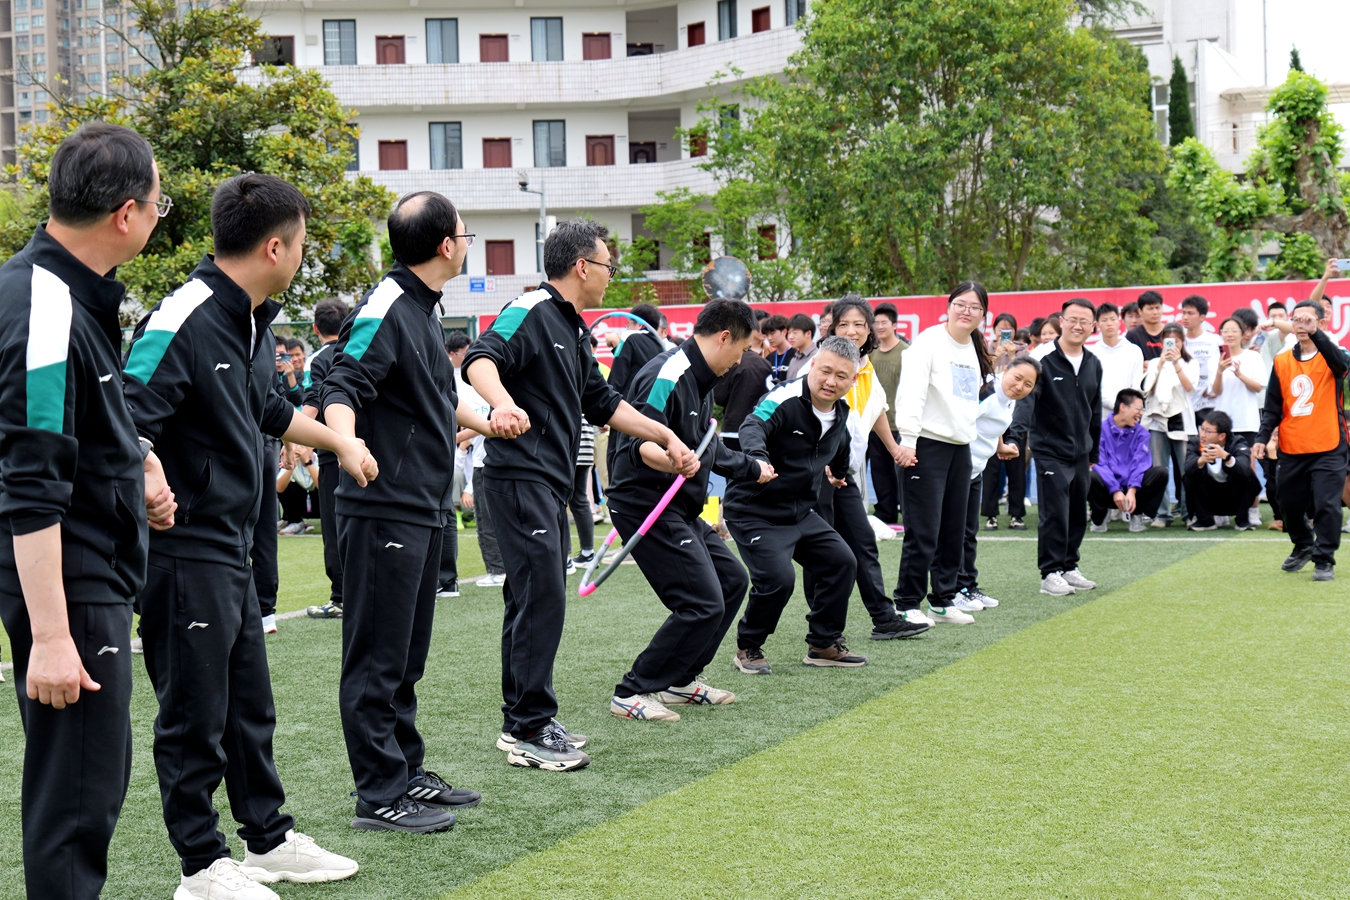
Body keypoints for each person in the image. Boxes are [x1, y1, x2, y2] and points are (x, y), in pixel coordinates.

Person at [126, 174, 371, 897]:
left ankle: (265, 840)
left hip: (234, 545)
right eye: (301, 245)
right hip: (182, 548)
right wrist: (145, 471)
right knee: (194, 715)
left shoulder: (253, 319)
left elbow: (268, 408)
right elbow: (124, 416)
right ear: (275, 246)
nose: (302, 257)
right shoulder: (183, 316)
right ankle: (200, 865)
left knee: (247, 706)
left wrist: (339, 444)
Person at [0, 122, 174, 900]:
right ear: (127, 214)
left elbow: (76, 420)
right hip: (68, 582)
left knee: (84, 794)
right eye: (161, 206)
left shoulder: (69, 293)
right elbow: (30, 475)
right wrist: (50, 637)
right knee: (76, 804)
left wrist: (137, 459)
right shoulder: (43, 301)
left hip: (87, 571)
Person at [463, 219, 696, 772]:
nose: (612, 276)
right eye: (609, 265)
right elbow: (479, 359)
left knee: (536, 598)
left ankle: (528, 718)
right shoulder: (530, 309)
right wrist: (500, 404)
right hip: (518, 476)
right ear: (582, 266)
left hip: (546, 481)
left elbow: (602, 400)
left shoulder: (574, 328)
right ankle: (526, 727)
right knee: (541, 597)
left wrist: (663, 433)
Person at [322, 191, 493, 831]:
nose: (467, 242)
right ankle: (378, 794)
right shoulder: (387, 304)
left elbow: (434, 402)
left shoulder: (423, 310)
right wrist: (347, 441)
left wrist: (488, 421)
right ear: (448, 245)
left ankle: (404, 771)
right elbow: (342, 383)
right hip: (382, 508)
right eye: (467, 233)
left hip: (422, 506)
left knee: (405, 655)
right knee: (376, 656)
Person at [606, 299, 777, 721]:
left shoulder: (700, 378)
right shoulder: (666, 374)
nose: (740, 362)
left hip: (680, 507)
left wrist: (752, 469)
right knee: (701, 601)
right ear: (724, 338)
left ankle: (681, 681)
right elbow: (639, 443)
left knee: (733, 581)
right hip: (646, 506)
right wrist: (673, 459)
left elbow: (706, 447)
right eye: (741, 352)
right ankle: (633, 691)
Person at [725, 336, 866, 672]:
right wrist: (758, 459)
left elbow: (840, 442)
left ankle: (822, 644)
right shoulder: (784, 397)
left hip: (801, 512)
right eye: (826, 371)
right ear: (812, 365)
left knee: (842, 562)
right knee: (778, 578)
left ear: (853, 379)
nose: (831, 381)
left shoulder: (842, 412)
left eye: (842, 376)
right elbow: (753, 425)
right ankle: (749, 646)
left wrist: (839, 472)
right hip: (754, 511)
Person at [808, 297, 929, 639]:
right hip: (818, 474)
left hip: (845, 473)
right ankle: (823, 627)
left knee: (863, 543)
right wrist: (825, 463)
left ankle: (883, 617)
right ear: (831, 328)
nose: (852, 330)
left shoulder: (864, 366)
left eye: (860, 324)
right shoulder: (821, 365)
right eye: (844, 324)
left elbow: (876, 411)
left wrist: (893, 449)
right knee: (823, 550)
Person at [892, 282, 993, 625]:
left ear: (983, 315)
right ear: (949, 306)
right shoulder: (929, 343)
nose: (967, 312)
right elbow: (911, 392)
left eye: (975, 307)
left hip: (959, 448)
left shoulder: (973, 348)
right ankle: (906, 602)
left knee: (954, 528)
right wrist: (907, 439)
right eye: (960, 304)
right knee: (924, 530)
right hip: (926, 445)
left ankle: (943, 598)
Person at [1012, 298, 1103, 596]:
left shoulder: (1093, 362)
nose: (1078, 326)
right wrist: (1016, 439)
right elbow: (1025, 403)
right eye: (1072, 319)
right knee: (1055, 513)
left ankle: (1069, 565)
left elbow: (1094, 409)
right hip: (1050, 449)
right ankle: (1050, 573)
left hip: (1080, 452)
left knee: (1077, 511)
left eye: (1084, 321)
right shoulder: (1042, 359)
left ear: (1093, 326)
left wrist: (1093, 451)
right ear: (1061, 321)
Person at [1254, 300, 1350, 581]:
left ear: (1321, 323)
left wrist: (1318, 336)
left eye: (1308, 319)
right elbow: (1272, 406)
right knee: (1288, 503)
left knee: (1326, 504)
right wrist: (1262, 437)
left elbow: (1344, 366)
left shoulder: (1334, 355)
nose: (1301, 324)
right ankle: (1304, 543)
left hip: (1329, 444)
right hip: (1293, 445)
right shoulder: (1282, 361)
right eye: (1297, 319)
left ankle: (1324, 559)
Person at [956, 358, 1040, 611]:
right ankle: (953, 590)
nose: (1020, 386)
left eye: (1028, 384)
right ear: (1005, 371)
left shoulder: (1008, 399)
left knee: (968, 533)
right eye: (1017, 378)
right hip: (959, 469)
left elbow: (993, 425)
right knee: (955, 534)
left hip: (975, 470)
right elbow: (962, 421)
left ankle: (968, 586)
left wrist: (1001, 446)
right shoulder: (986, 392)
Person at [302, 298, 349, 618]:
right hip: (368, 449)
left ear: (316, 328)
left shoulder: (318, 359)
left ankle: (341, 597)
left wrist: (295, 443)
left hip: (333, 452)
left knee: (334, 526)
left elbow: (313, 402)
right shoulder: (355, 350)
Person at [1209, 316, 1268, 528]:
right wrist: (1219, 370)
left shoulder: (1252, 357)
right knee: (1218, 469)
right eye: (1226, 330)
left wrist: (1239, 374)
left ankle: (1252, 511)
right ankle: (1221, 511)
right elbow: (1214, 392)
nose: (1230, 334)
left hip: (1247, 421)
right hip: (1221, 424)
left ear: (1243, 333)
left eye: (1234, 330)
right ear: (1221, 334)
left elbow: (1258, 387)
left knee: (1247, 470)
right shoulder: (1215, 358)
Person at [1140, 322, 1198, 526]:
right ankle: (1162, 514)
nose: (1172, 346)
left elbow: (1190, 387)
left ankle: (1189, 513)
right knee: (1159, 468)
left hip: (1182, 421)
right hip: (1158, 421)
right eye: (1168, 341)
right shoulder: (1156, 361)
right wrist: (1159, 364)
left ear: (1182, 342)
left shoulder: (1190, 363)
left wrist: (1175, 364)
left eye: (1176, 342)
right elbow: (1148, 390)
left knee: (1186, 470)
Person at [1088, 389, 1168, 532]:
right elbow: (1099, 463)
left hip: (1132, 490)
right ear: (1123, 407)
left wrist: (1132, 490)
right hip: (1108, 487)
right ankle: (1100, 516)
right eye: (1138, 409)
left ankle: (1136, 514)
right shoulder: (1099, 429)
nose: (1141, 413)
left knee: (1161, 473)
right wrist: (1115, 489)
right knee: (1090, 476)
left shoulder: (1142, 433)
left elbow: (1141, 464)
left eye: (1142, 409)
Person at [436, 332, 474, 599]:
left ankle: (446, 580)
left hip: (446, 446)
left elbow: (459, 409)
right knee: (445, 510)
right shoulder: (448, 371)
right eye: (463, 352)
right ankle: (446, 580)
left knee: (443, 511)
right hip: (448, 445)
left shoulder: (457, 375)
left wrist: (460, 439)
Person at [1183, 411, 1260, 532]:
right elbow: (1187, 469)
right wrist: (1201, 461)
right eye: (1201, 429)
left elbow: (1245, 469)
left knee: (1249, 475)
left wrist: (1226, 457)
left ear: (1222, 436)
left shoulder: (1238, 442)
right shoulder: (1195, 442)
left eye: (1208, 431)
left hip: (1233, 498)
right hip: (1210, 498)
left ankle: (1242, 520)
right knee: (1189, 476)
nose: (1202, 435)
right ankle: (1205, 520)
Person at [868, 302, 909, 527]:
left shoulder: (906, 352)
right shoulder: (872, 353)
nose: (880, 326)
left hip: (900, 424)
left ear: (895, 325)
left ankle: (907, 511)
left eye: (884, 322)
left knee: (900, 472)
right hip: (876, 422)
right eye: (876, 322)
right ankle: (885, 514)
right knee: (880, 472)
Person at [712, 313, 774, 451]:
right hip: (758, 427)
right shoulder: (765, 363)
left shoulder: (732, 361)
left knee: (733, 469)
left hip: (733, 427)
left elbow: (719, 396)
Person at [1093, 302, 1144, 419]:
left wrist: (1128, 406)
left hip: (1130, 415)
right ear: (1097, 324)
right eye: (1104, 320)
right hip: (1102, 417)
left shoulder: (1134, 350)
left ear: (1119, 321)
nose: (1109, 323)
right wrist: (1117, 405)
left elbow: (1137, 384)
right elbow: (1094, 387)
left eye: (1112, 319)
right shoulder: (1092, 353)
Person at [1180, 294, 1223, 416]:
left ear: (1202, 317)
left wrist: (1217, 388)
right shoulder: (1179, 341)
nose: (1185, 317)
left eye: (1190, 313)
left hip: (1209, 404)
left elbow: (1226, 366)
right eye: (1183, 313)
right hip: (1184, 404)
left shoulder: (1215, 340)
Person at [276, 444, 317, 534]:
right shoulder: (292, 459)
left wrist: (308, 462)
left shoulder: (319, 460)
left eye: (306, 446)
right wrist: (292, 465)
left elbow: (322, 486)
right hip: (300, 502)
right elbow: (279, 488)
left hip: (318, 504)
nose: (302, 449)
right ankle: (295, 522)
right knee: (287, 484)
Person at [1126, 290, 1166, 359]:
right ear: (1140, 311)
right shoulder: (1133, 335)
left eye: (1157, 308)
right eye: (1150, 309)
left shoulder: (1171, 332)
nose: (1155, 312)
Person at [762, 314, 796, 384]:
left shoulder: (795, 355)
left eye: (772, 333)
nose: (769, 338)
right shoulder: (769, 357)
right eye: (767, 335)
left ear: (784, 332)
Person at [784, 312, 817, 380]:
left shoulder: (817, 357)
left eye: (795, 333)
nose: (790, 337)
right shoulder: (794, 359)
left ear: (808, 333)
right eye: (789, 332)